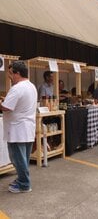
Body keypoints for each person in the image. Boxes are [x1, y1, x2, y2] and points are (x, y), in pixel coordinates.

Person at [0, 61, 37, 193]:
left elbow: (6, 107)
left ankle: (24, 184)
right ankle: (22, 179)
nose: (9, 76)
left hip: (17, 130)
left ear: (18, 73)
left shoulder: (17, 88)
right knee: (23, 159)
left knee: (17, 159)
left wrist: (1, 102)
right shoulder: (31, 86)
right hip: (26, 129)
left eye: (11, 73)